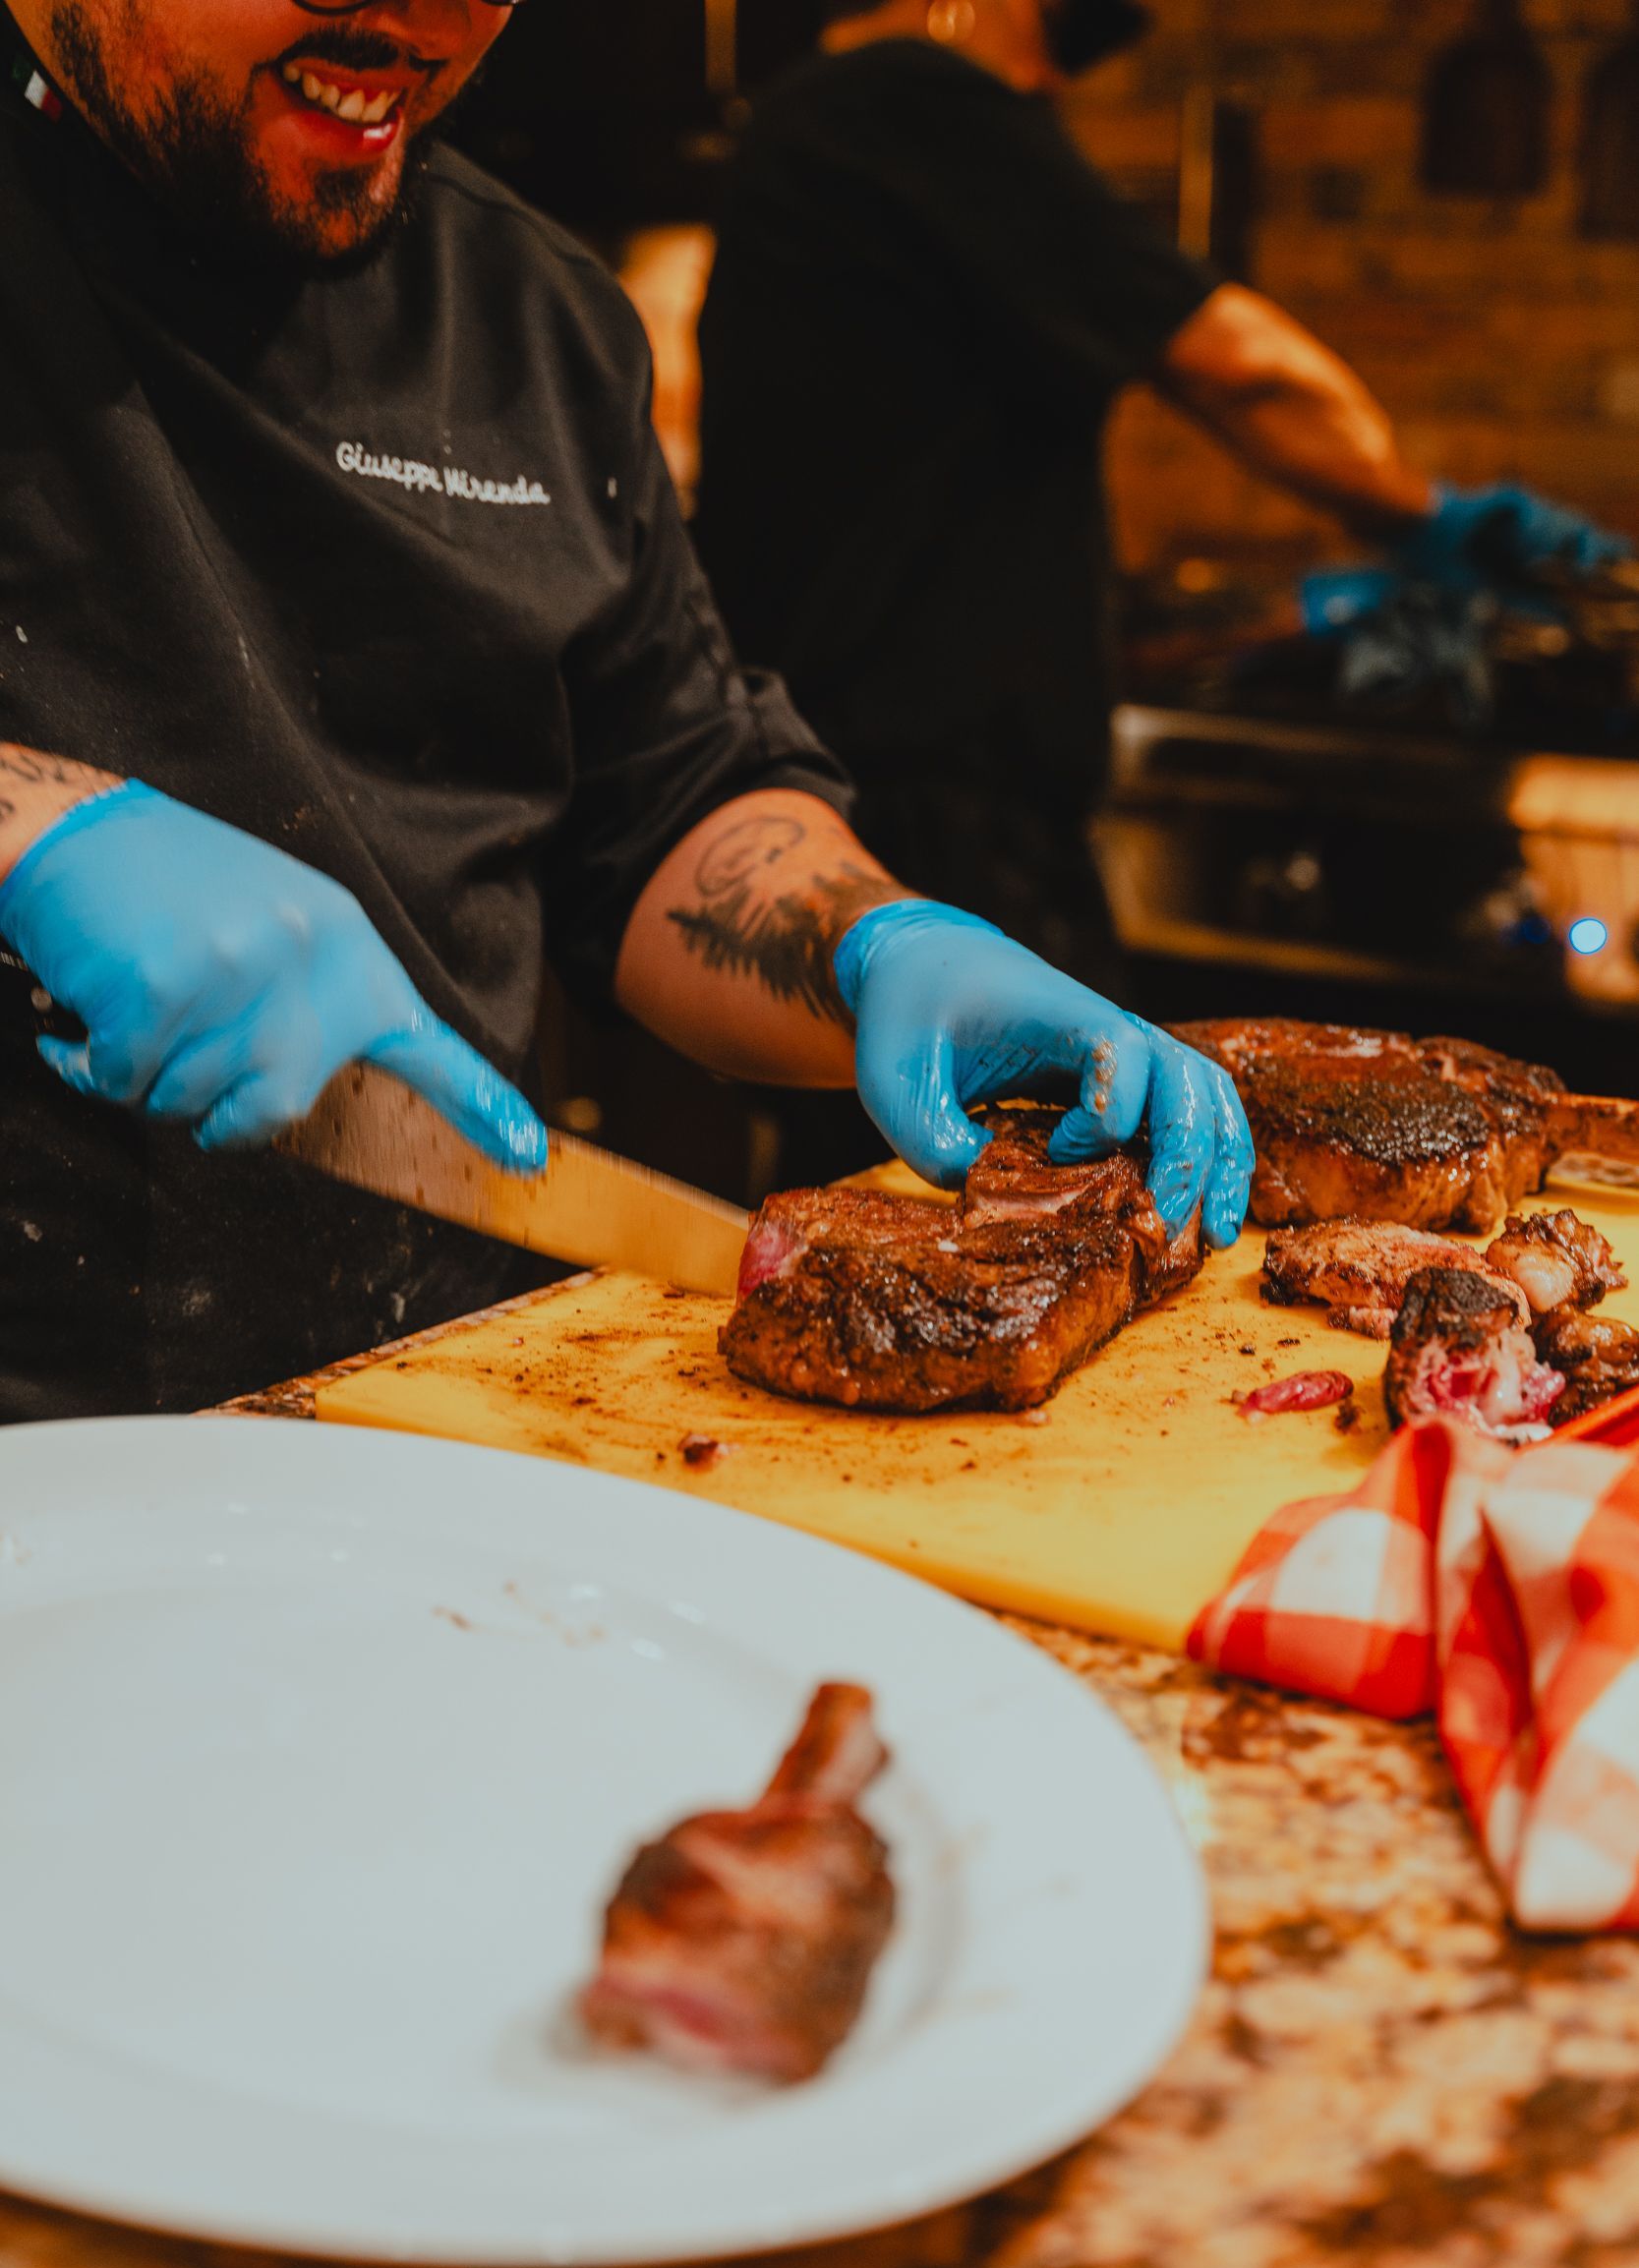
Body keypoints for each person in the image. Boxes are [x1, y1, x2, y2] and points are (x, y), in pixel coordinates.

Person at [0, 0, 1254, 1422]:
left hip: (444, 1412)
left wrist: (865, 946)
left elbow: (662, 800)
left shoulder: (535, 318)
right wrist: (34, 826)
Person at [694, 0, 1629, 975]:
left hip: (863, 783)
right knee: (1021, 1121)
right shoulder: (906, 104)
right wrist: (1430, 519)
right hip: (917, 815)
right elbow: (1239, 366)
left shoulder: (830, 119)